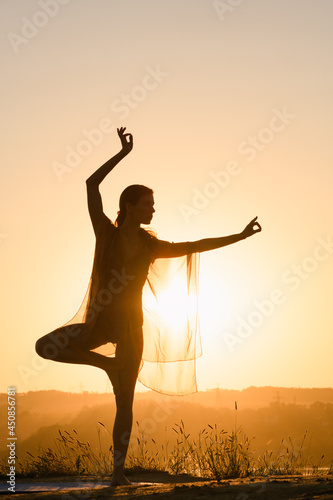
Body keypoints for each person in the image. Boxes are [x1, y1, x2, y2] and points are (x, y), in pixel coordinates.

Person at [35, 127, 262, 485]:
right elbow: (91, 186)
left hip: (131, 329)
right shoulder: (106, 233)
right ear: (128, 206)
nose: (153, 209)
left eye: (153, 205)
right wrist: (122, 153)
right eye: (147, 204)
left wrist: (240, 235)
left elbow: (194, 244)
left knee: (125, 403)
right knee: (44, 346)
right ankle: (105, 364)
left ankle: (118, 473)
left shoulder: (150, 246)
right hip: (99, 324)